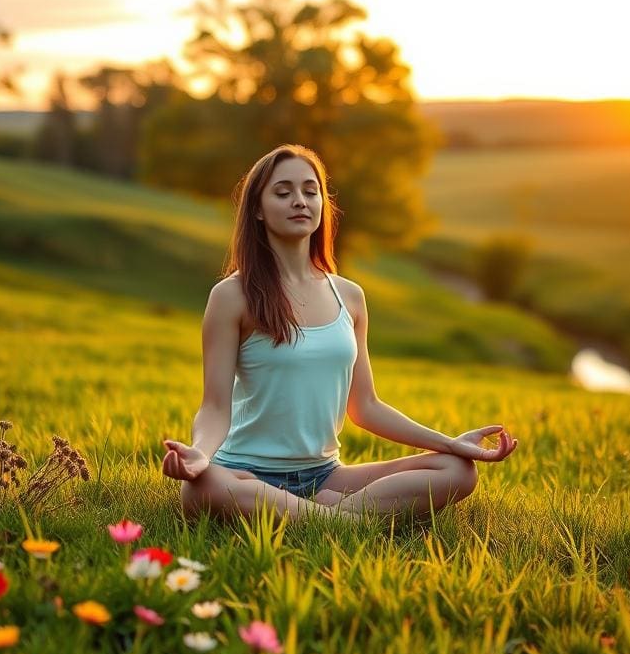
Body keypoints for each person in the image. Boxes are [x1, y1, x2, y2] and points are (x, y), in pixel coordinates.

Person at [162, 144, 518, 522]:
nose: (300, 201)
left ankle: (312, 516)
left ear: (322, 204)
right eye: (283, 193)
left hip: (325, 475)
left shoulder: (349, 296)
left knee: (458, 471)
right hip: (243, 473)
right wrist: (200, 453)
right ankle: (345, 520)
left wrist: (451, 444)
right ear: (257, 210)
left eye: (310, 191)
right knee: (202, 489)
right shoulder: (232, 296)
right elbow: (215, 406)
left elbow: (365, 407)